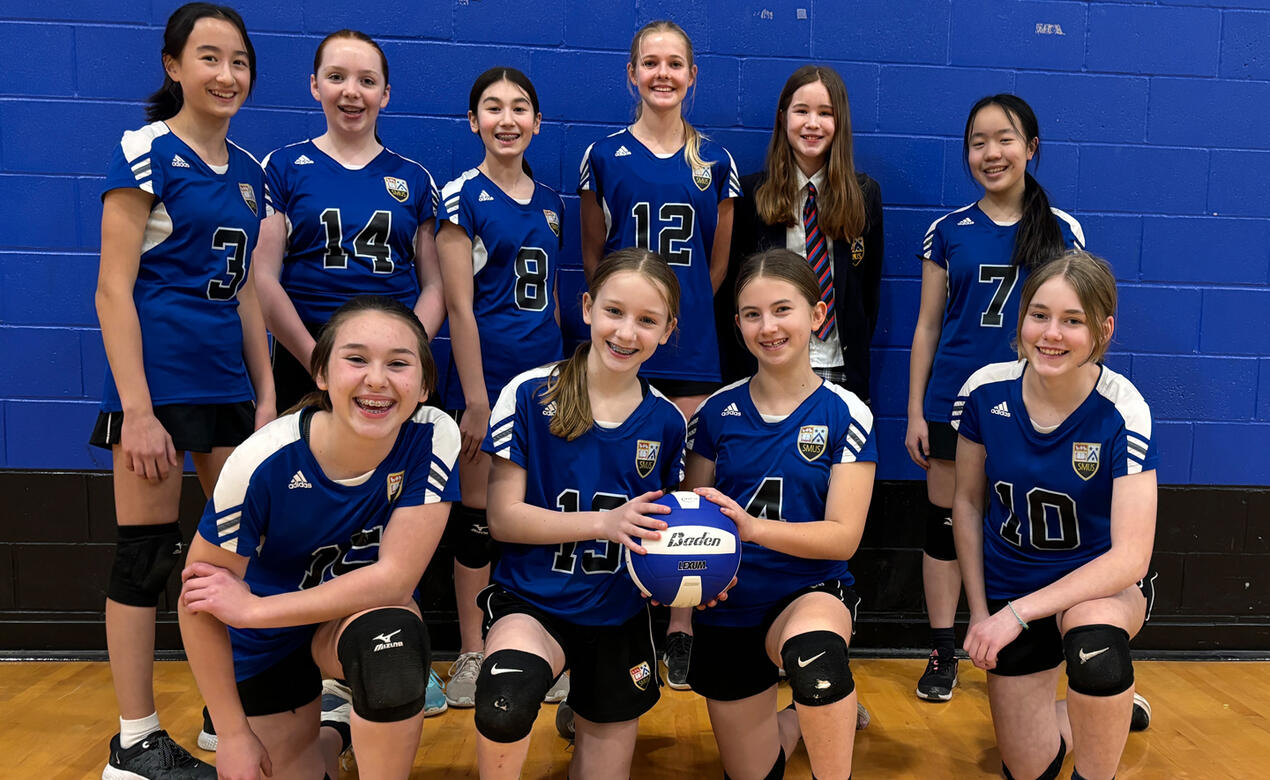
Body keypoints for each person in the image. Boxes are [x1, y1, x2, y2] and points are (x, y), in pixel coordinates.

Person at [91, 4, 272, 778]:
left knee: (242, 554)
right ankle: (133, 741)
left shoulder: (253, 174)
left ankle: (223, 713)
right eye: (208, 58)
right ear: (173, 67)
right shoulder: (144, 153)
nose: (225, 74)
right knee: (146, 557)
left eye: (237, 61)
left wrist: (266, 395)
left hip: (227, 386)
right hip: (157, 390)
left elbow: (246, 296)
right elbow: (111, 289)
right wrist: (136, 409)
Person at [177, 295, 460, 780]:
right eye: (356, 359)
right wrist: (232, 733)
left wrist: (255, 608)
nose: (376, 379)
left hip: (350, 616)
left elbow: (394, 579)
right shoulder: (260, 462)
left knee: (390, 644)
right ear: (322, 374)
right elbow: (199, 598)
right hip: (266, 638)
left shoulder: (433, 436)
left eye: (398, 363)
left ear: (424, 385)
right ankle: (335, 730)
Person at [474, 249, 685, 780]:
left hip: (617, 614)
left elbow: (669, 531)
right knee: (505, 704)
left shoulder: (666, 422)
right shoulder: (528, 393)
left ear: (668, 330)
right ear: (587, 308)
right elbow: (503, 518)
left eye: (647, 320)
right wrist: (603, 523)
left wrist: (694, 580)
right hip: (533, 603)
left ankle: (585, 708)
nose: (626, 332)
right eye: (614, 311)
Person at [951, 250, 1157, 780]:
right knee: (1027, 769)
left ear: (1103, 329)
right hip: (1010, 587)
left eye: (1073, 321)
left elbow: (1131, 556)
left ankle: (1099, 745)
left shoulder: (1122, 409)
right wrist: (980, 612)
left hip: (1096, 587)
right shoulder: (983, 391)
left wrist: (1018, 615)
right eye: (1040, 315)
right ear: (1021, 317)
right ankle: (1104, 708)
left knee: (1097, 648)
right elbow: (968, 504)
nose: (1051, 334)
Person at [578, 19, 741, 688]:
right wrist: (625, 320)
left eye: (676, 63)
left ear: (692, 76)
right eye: (651, 63)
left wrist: (679, 318)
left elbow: (718, 263)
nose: (663, 73)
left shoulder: (716, 162)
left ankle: (681, 619)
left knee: (691, 482)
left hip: (689, 341)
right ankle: (613, 612)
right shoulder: (604, 155)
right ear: (632, 74)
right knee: (616, 468)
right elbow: (594, 256)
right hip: (621, 342)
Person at [905, 94, 1084, 702]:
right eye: (978, 142)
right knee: (946, 525)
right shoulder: (947, 231)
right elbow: (928, 326)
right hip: (955, 404)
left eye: (1004, 139)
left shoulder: (1063, 231)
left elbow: (1081, 322)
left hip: (1035, 408)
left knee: (1016, 523)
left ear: (1031, 148)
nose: (991, 153)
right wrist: (914, 411)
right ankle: (942, 648)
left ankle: (1023, 640)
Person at [687, 249, 876, 780]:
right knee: (752, 772)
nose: (767, 326)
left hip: (809, 593)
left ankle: (824, 703)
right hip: (728, 602)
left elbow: (843, 539)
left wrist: (751, 529)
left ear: (816, 316)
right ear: (739, 324)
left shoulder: (846, 412)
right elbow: (687, 519)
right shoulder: (715, 413)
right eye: (752, 314)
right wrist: (689, 586)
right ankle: (804, 716)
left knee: (816, 660)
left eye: (782, 309)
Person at [435, 66, 566, 710]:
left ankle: (541, 643)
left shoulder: (552, 202)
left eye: (520, 107)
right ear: (474, 122)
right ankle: (470, 649)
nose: (507, 118)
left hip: (546, 384)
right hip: (488, 383)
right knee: (479, 518)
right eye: (493, 107)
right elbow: (460, 309)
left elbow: (557, 306)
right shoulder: (460, 197)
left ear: (537, 123)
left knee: (538, 515)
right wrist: (477, 399)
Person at [253, 29, 444, 414]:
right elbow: (263, 279)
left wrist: (404, 356)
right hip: (305, 354)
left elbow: (435, 286)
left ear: (385, 94)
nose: (352, 91)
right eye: (336, 76)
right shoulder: (281, 167)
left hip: (389, 361)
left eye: (367, 81)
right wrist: (318, 363)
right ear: (315, 85)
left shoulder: (415, 179)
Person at [722, 64, 883, 404]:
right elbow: (732, 292)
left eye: (825, 113)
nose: (812, 124)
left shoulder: (864, 194)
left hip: (839, 366)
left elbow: (867, 293)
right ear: (783, 118)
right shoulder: (751, 194)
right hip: (767, 366)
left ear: (840, 122)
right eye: (801, 111)